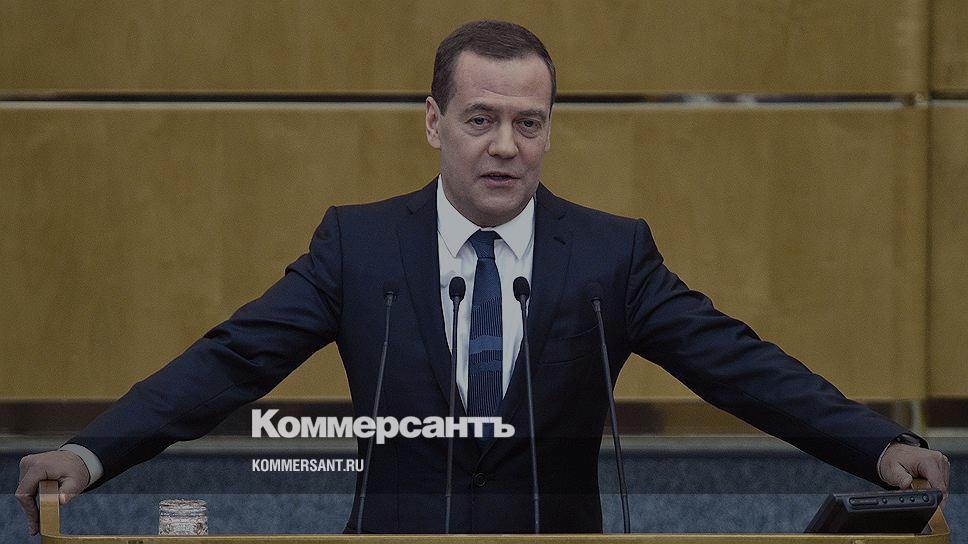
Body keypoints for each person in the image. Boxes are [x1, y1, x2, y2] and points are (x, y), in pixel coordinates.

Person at [17, 20, 949, 535]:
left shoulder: (611, 255)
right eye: (481, 119)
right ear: (434, 123)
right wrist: (90, 454)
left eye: (528, 123)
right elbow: (230, 362)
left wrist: (877, 446)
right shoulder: (359, 246)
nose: (507, 145)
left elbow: (739, 366)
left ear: (548, 129)